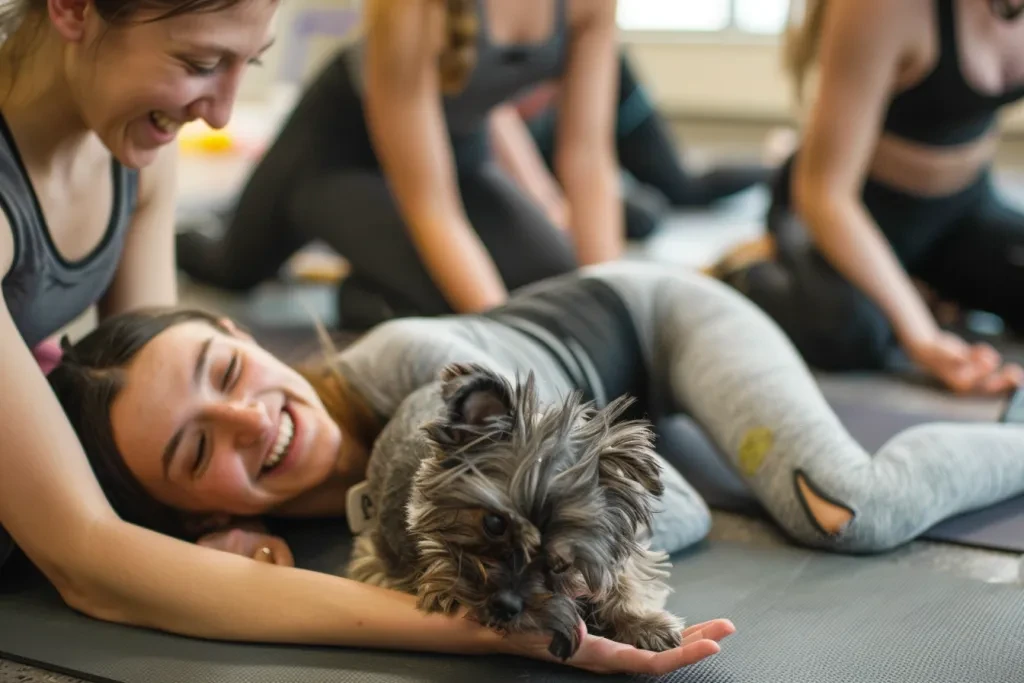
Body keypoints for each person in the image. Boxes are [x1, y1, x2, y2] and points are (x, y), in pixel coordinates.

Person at [2, 0, 721, 676]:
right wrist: (479, 627)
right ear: (69, 6)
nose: (219, 112)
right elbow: (88, 560)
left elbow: (159, 354)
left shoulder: (137, 153)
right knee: (231, 265)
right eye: (198, 63)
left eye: (245, 67)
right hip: (320, 167)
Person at [48, 261, 1024, 595]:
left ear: (237, 333)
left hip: (660, 322)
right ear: (176, 510)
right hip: (596, 394)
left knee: (846, 508)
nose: (246, 417)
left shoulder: (418, 364)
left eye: (225, 371)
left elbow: (669, 507)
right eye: (193, 450)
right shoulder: (237, 541)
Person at [175, 0, 627, 331]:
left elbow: (588, 157)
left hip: (458, 157)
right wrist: (507, 336)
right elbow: (431, 204)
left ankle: (373, 285)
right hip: (335, 158)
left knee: (555, 283)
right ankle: (190, 230)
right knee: (230, 270)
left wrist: (618, 309)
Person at [710, 0, 1024, 396]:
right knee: (850, 332)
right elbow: (824, 193)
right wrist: (923, 337)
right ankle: (746, 276)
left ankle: (921, 283)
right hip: (846, 210)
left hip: (961, 211)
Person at [493, 49, 773, 239]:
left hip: (596, 88)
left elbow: (585, 158)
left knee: (684, 189)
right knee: (643, 216)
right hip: (536, 128)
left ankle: (776, 163)